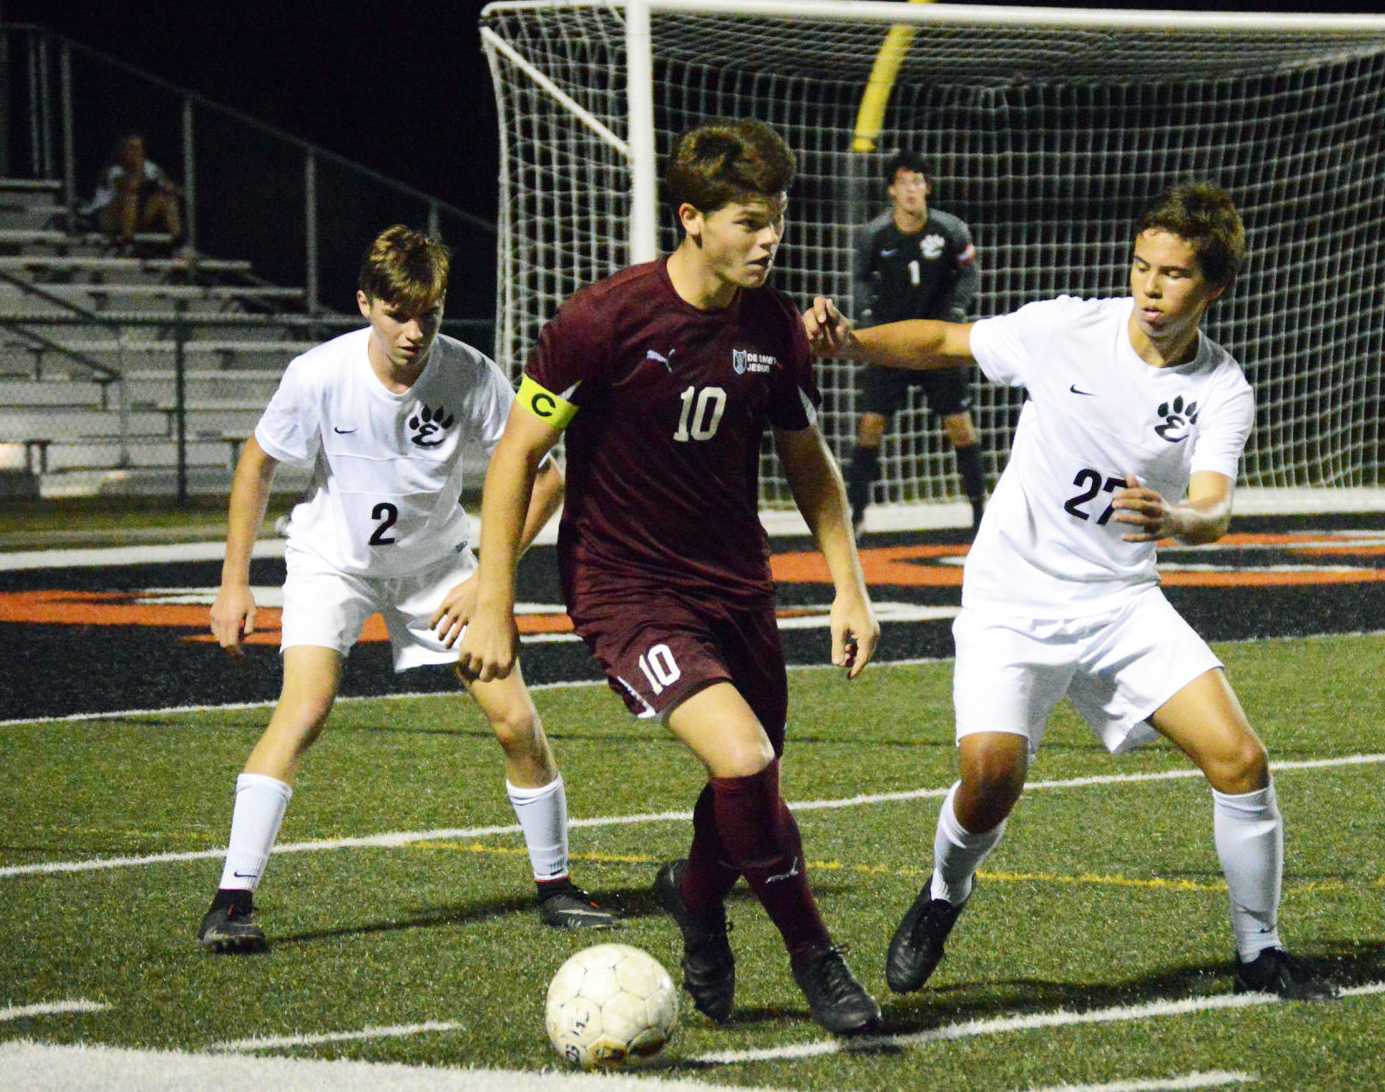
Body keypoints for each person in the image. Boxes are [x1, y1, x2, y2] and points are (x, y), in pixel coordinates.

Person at [806, 182, 1339, 1002]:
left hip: (1120, 604)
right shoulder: (1067, 330)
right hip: (1011, 600)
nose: (1150, 289)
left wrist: (1180, 520)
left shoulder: (1219, 389)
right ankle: (946, 891)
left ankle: (1259, 950)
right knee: (990, 777)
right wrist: (852, 345)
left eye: (1173, 276)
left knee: (1240, 760)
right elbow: (947, 339)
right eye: (1141, 267)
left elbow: (1215, 505)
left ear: (1215, 288)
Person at [458, 119, 884, 1035]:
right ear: (691, 218)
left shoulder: (773, 326)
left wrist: (847, 585)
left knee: (750, 782)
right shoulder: (601, 320)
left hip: (735, 584)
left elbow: (808, 464)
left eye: (775, 218)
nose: (767, 237)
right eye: (746, 220)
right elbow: (515, 457)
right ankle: (816, 956)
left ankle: (693, 894)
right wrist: (495, 599)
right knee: (742, 758)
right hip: (625, 590)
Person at [197, 225, 618, 954]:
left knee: (515, 722)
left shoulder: (469, 372)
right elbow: (256, 465)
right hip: (334, 561)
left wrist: (491, 576)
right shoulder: (318, 374)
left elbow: (546, 472)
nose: (414, 331)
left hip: (437, 569)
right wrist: (234, 582)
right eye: (397, 312)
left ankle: (556, 888)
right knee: (305, 710)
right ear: (365, 304)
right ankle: (231, 902)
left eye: (429, 312)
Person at [844, 149, 984, 533]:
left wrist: (956, 310)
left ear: (928, 188)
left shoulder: (950, 229)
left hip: (938, 344)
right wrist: (868, 318)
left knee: (961, 426)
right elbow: (859, 278)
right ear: (891, 190)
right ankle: (854, 515)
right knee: (871, 425)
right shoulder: (875, 234)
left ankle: (979, 512)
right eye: (903, 182)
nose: (911, 190)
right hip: (891, 346)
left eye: (918, 181)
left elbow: (970, 274)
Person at [84, 132, 185, 254]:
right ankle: (127, 244)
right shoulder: (113, 170)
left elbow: (168, 186)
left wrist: (173, 188)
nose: (138, 152)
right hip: (106, 219)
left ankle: (179, 245)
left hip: (133, 218)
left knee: (165, 199)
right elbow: (130, 187)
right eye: (133, 148)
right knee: (130, 198)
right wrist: (139, 169)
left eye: (140, 148)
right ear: (123, 151)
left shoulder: (149, 167)